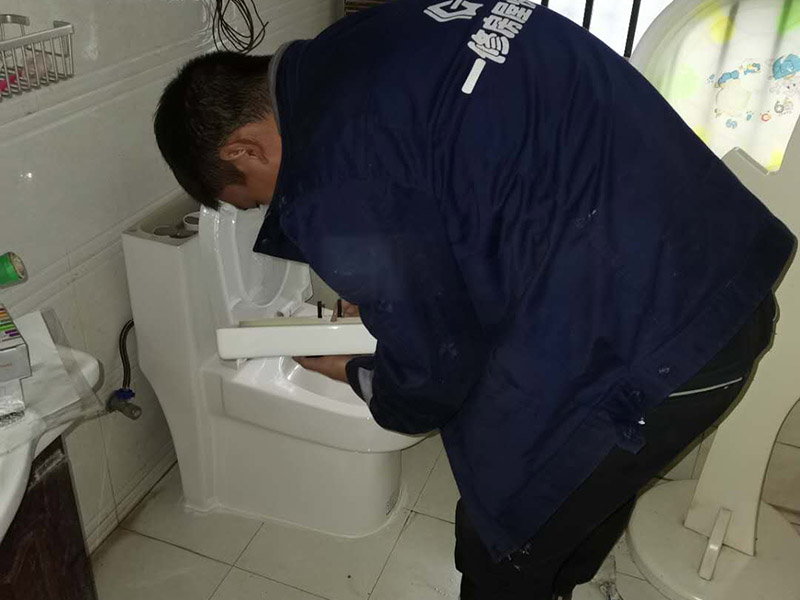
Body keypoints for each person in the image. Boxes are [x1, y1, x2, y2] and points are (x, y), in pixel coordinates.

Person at [153, 2, 795, 598]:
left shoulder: (333, 174)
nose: (273, 206)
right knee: (572, 507)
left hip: (659, 341)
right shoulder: (366, 40)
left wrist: (359, 373)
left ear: (244, 149)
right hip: (719, 267)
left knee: (506, 535)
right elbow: (464, 187)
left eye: (255, 197)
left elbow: (435, 376)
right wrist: (385, 293)